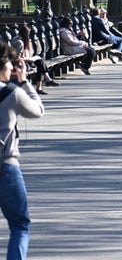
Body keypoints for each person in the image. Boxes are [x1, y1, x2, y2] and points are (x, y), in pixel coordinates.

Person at [0, 42, 44, 260]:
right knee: (20, 224)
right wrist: (24, 81)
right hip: (5, 166)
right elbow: (38, 111)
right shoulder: (11, 94)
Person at [10, 25, 58, 95]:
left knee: (40, 62)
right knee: (40, 62)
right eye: (29, 33)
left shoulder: (18, 39)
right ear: (26, 33)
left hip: (22, 62)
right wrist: (29, 59)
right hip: (18, 64)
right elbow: (17, 58)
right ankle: (44, 83)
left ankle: (44, 83)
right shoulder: (19, 42)